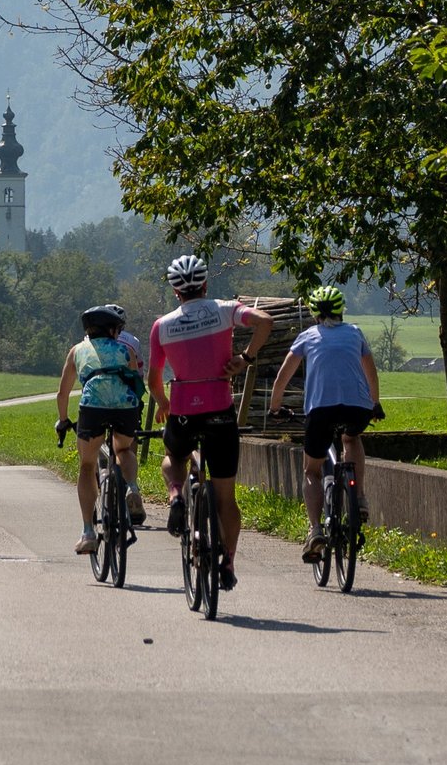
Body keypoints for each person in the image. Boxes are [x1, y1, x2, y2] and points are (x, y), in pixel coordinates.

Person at [148, 254, 271, 593]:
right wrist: (244, 359)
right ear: (204, 284)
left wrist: (163, 403)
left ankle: (176, 496)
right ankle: (228, 562)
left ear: (176, 292)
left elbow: (153, 378)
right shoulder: (225, 309)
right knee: (225, 497)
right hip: (220, 410)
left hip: (184, 411)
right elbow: (265, 321)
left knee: (173, 459)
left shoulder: (163, 326)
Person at [268, 284, 380, 557]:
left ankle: (316, 529)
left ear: (314, 312)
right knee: (351, 438)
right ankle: (360, 498)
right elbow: (371, 371)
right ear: (341, 310)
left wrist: (275, 406)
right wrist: (375, 403)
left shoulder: (307, 336)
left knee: (312, 471)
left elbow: (284, 374)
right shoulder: (355, 333)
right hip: (357, 408)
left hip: (320, 411)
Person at [56, 304, 147, 555]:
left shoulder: (76, 351)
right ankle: (132, 488)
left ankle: (87, 532)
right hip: (124, 408)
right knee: (125, 448)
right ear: (112, 330)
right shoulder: (125, 349)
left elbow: (62, 393)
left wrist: (63, 420)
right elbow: (135, 381)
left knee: (87, 465)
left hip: (93, 408)